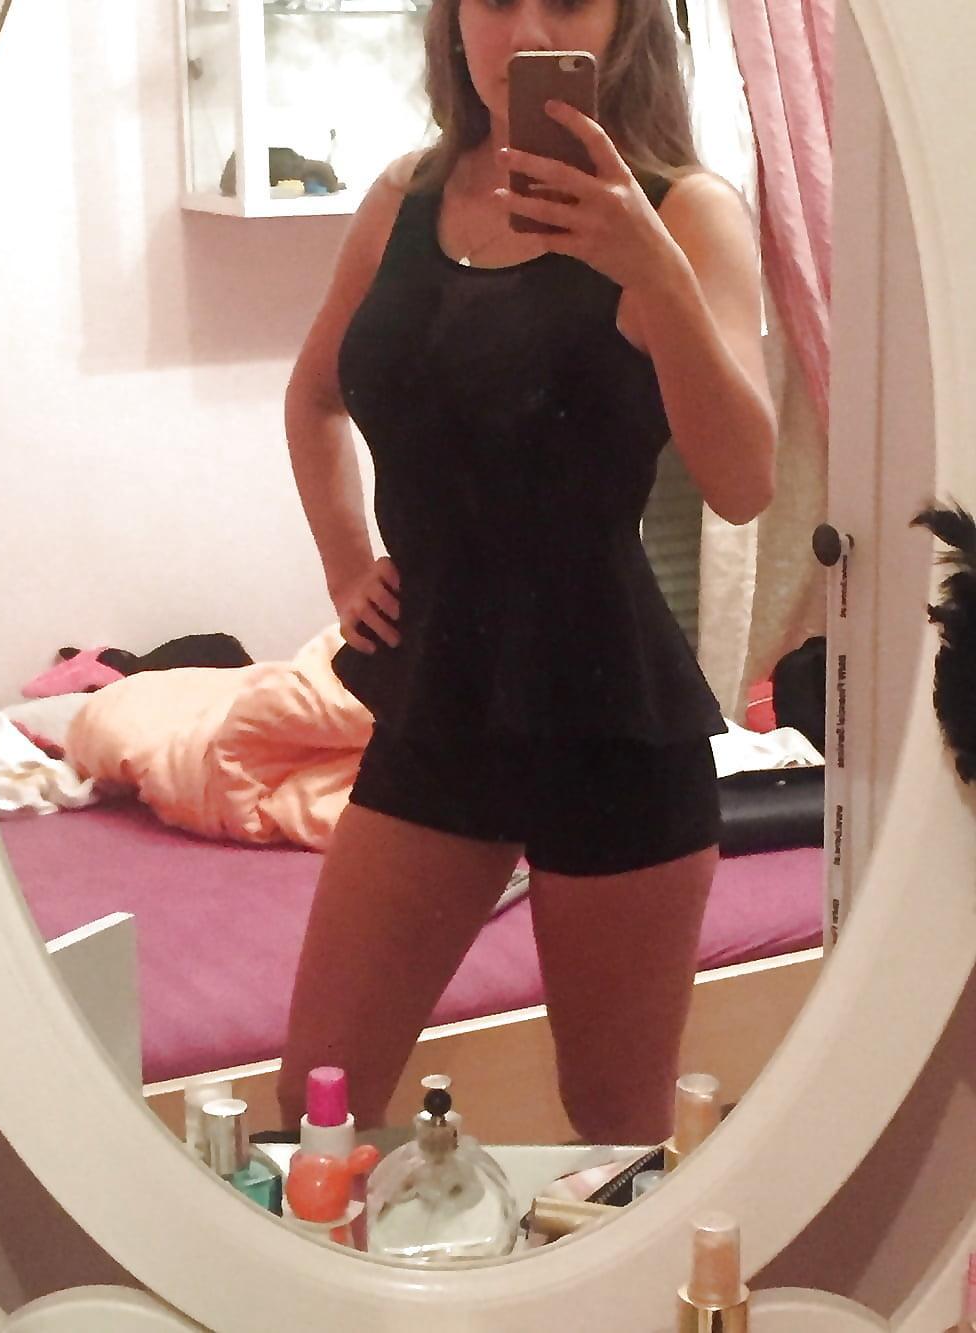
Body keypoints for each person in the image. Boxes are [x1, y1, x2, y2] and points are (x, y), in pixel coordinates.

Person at [278, 0, 776, 1143]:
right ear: (451, 18)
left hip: (614, 725)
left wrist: (651, 270)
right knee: (312, 1105)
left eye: (566, 1)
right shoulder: (401, 201)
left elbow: (744, 479)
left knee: (614, 1130)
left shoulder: (683, 211)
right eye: (495, 0)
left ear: (624, 22)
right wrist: (346, 564)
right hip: (437, 704)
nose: (524, 32)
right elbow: (313, 397)